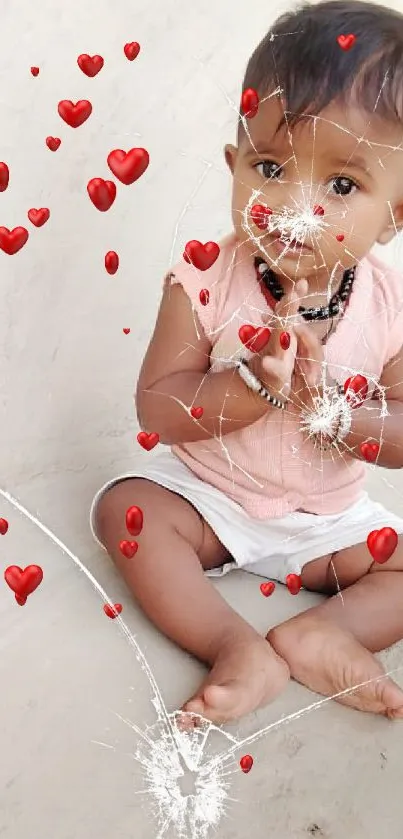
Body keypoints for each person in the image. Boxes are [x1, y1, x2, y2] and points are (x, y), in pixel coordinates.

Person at [90, 0, 403, 725]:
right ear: (234, 166)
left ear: (395, 212)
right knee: (125, 512)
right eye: (269, 167)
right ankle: (237, 646)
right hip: (210, 499)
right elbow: (158, 406)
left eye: (342, 186)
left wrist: (331, 411)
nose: (295, 209)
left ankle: (320, 631)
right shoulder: (205, 278)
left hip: (327, 523)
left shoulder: (389, 304)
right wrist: (250, 388)